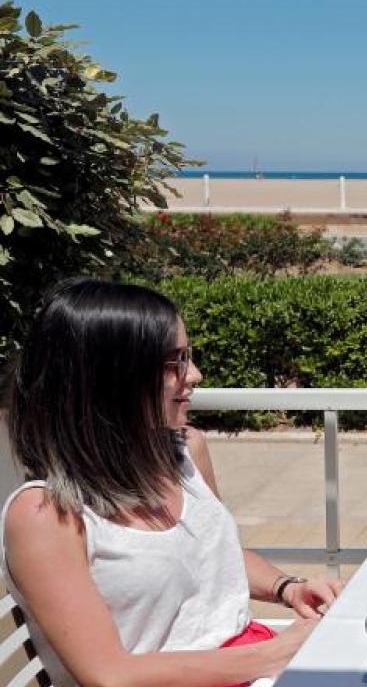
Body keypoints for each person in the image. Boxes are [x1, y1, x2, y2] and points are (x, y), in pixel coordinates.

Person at [1, 279, 344, 687]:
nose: (194, 375)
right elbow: (110, 675)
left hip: (246, 664)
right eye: (174, 362)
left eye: (189, 356)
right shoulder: (46, 515)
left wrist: (288, 588)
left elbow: (214, 555)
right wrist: (275, 654)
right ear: (108, 379)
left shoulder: (184, 452)